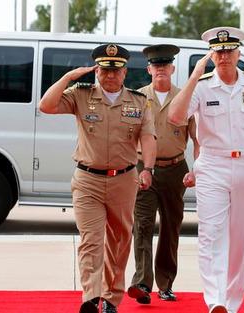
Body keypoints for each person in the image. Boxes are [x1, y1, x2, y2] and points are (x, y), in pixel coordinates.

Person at [168, 26, 244, 313]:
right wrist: (195, 75)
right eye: (218, 51)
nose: (224, 56)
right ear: (211, 54)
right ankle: (215, 300)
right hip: (213, 166)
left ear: (238, 53)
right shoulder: (202, 86)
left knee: (241, 237)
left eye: (229, 50)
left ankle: (231, 303)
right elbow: (175, 116)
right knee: (210, 233)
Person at [38, 43, 157, 313]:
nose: (110, 76)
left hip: (124, 180)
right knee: (91, 240)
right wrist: (69, 77)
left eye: (115, 71)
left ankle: (111, 299)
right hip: (87, 180)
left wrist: (148, 169)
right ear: (96, 71)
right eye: (104, 70)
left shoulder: (139, 102)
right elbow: (46, 105)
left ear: (125, 72)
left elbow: (148, 138)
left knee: (119, 242)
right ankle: (91, 298)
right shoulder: (81, 95)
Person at [127, 44, 199, 304]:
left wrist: (196, 169)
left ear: (172, 68)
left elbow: (197, 138)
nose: (160, 70)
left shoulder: (186, 98)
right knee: (142, 226)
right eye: (155, 66)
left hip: (175, 169)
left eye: (164, 66)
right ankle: (142, 284)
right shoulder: (135, 98)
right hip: (143, 169)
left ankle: (165, 284)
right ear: (149, 69)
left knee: (171, 228)